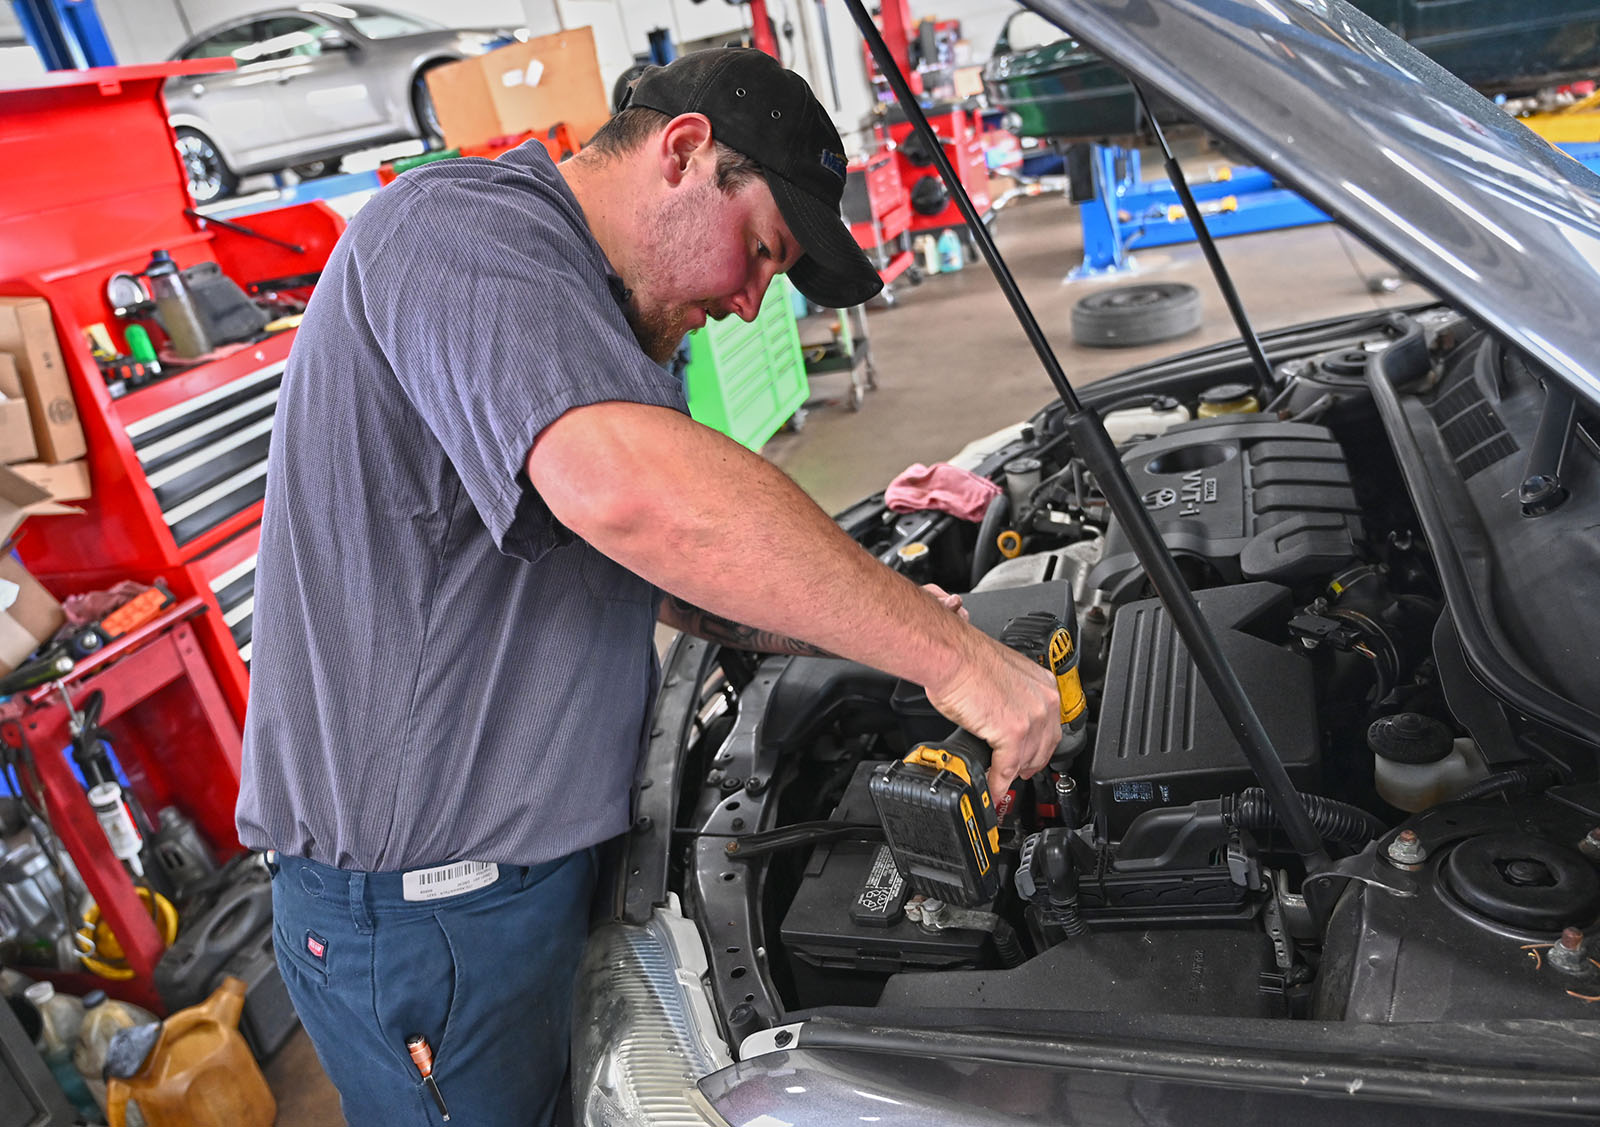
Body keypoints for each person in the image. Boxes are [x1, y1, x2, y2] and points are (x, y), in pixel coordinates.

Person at [237, 47, 1060, 1126]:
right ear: (683, 154)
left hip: (519, 873)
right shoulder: (459, 231)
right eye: (760, 253)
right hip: (425, 914)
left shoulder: (599, 316)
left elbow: (663, 572)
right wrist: (956, 663)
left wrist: (893, 632)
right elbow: (639, 499)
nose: (751, 302)